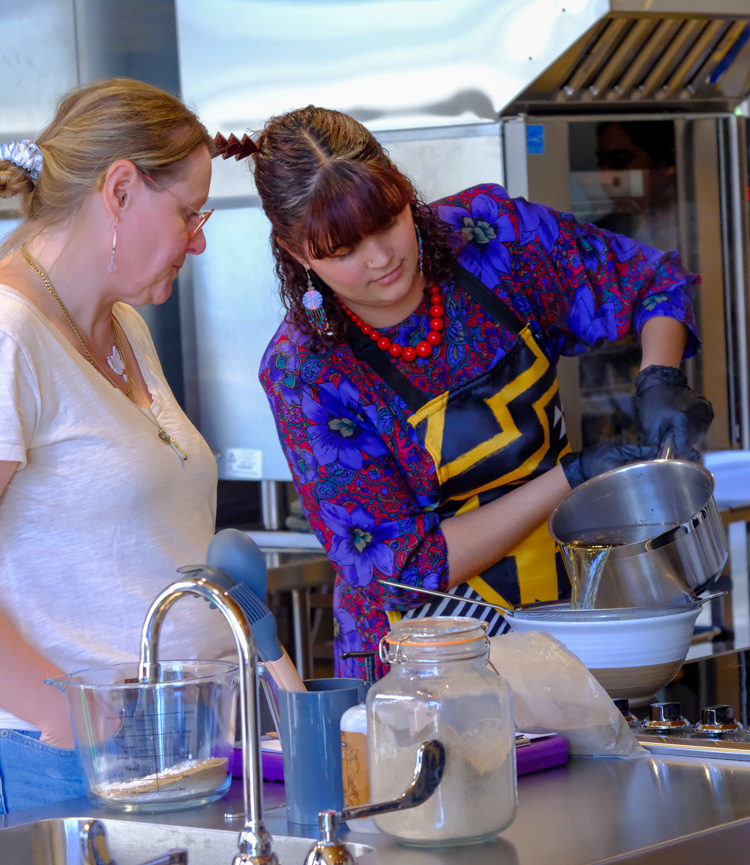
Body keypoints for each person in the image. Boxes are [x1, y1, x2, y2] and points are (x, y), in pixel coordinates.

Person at [239, 106, 713, 677]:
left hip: (565, 620)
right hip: (423, 669)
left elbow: (650, 281)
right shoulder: (307, 374)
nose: (381, 258)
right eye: (342, 251)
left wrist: (659, 378)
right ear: (296, 254)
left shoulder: (490, 238)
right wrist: (570, 478)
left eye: (389, 220)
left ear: (402, 189)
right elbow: (407, 570)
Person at [0, 78, 234, 813]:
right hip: (76, 761)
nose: (198, 239)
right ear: (122, 189)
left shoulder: (124, 329)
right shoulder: (10, 334)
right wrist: (64, 715)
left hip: (182, 743)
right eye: (189, 213)